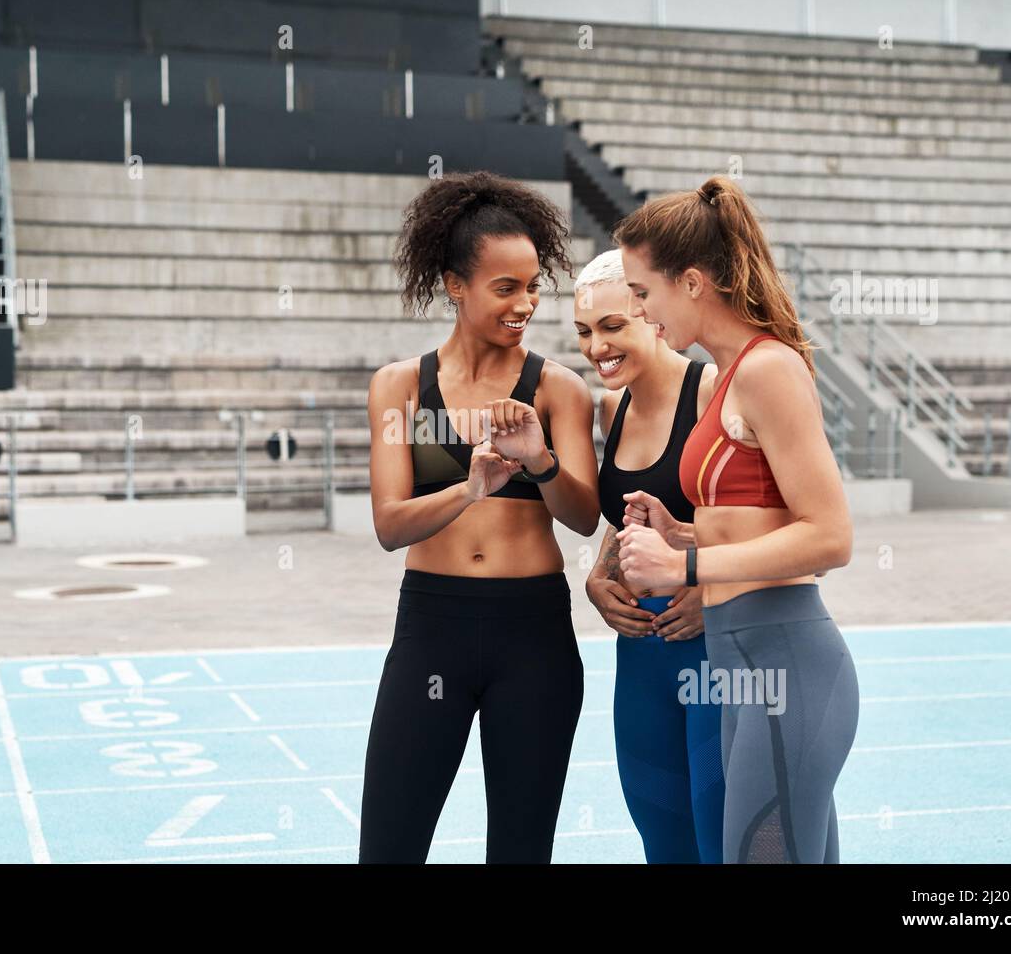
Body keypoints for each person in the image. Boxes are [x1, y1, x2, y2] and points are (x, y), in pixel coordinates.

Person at [613, 176, 860, 864]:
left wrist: (685, 565)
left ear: (691, 282)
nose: (640, 311)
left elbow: (831, 536)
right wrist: (680, 531)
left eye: (643, 292)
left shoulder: (768, 369)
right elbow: (762, 520)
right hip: (741, 672)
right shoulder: (726, 376)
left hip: (789, 670)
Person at [358, 170, 601, 863]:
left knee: (521, 852)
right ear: (454, 284)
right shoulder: (399, 387)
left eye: (532, 286)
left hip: (534, 637)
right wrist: (469, 488)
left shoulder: (559, 389)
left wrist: (542, 462)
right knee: (389, 847)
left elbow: (583, 517)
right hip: (432, 629)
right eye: (505, 288)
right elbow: (389, 524)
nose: (524, 303)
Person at [575, 249, 726, 863]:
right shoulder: (613, 407)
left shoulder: (714, 390)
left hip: (713, 650)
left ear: (654, 316)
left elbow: (793, 527)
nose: (596, 347)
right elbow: (632, 512)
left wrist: (709, 587)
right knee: (662, 839)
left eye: (613, 327)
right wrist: (598, 573)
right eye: (584, 331)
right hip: (640, 655)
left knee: (722, 837)